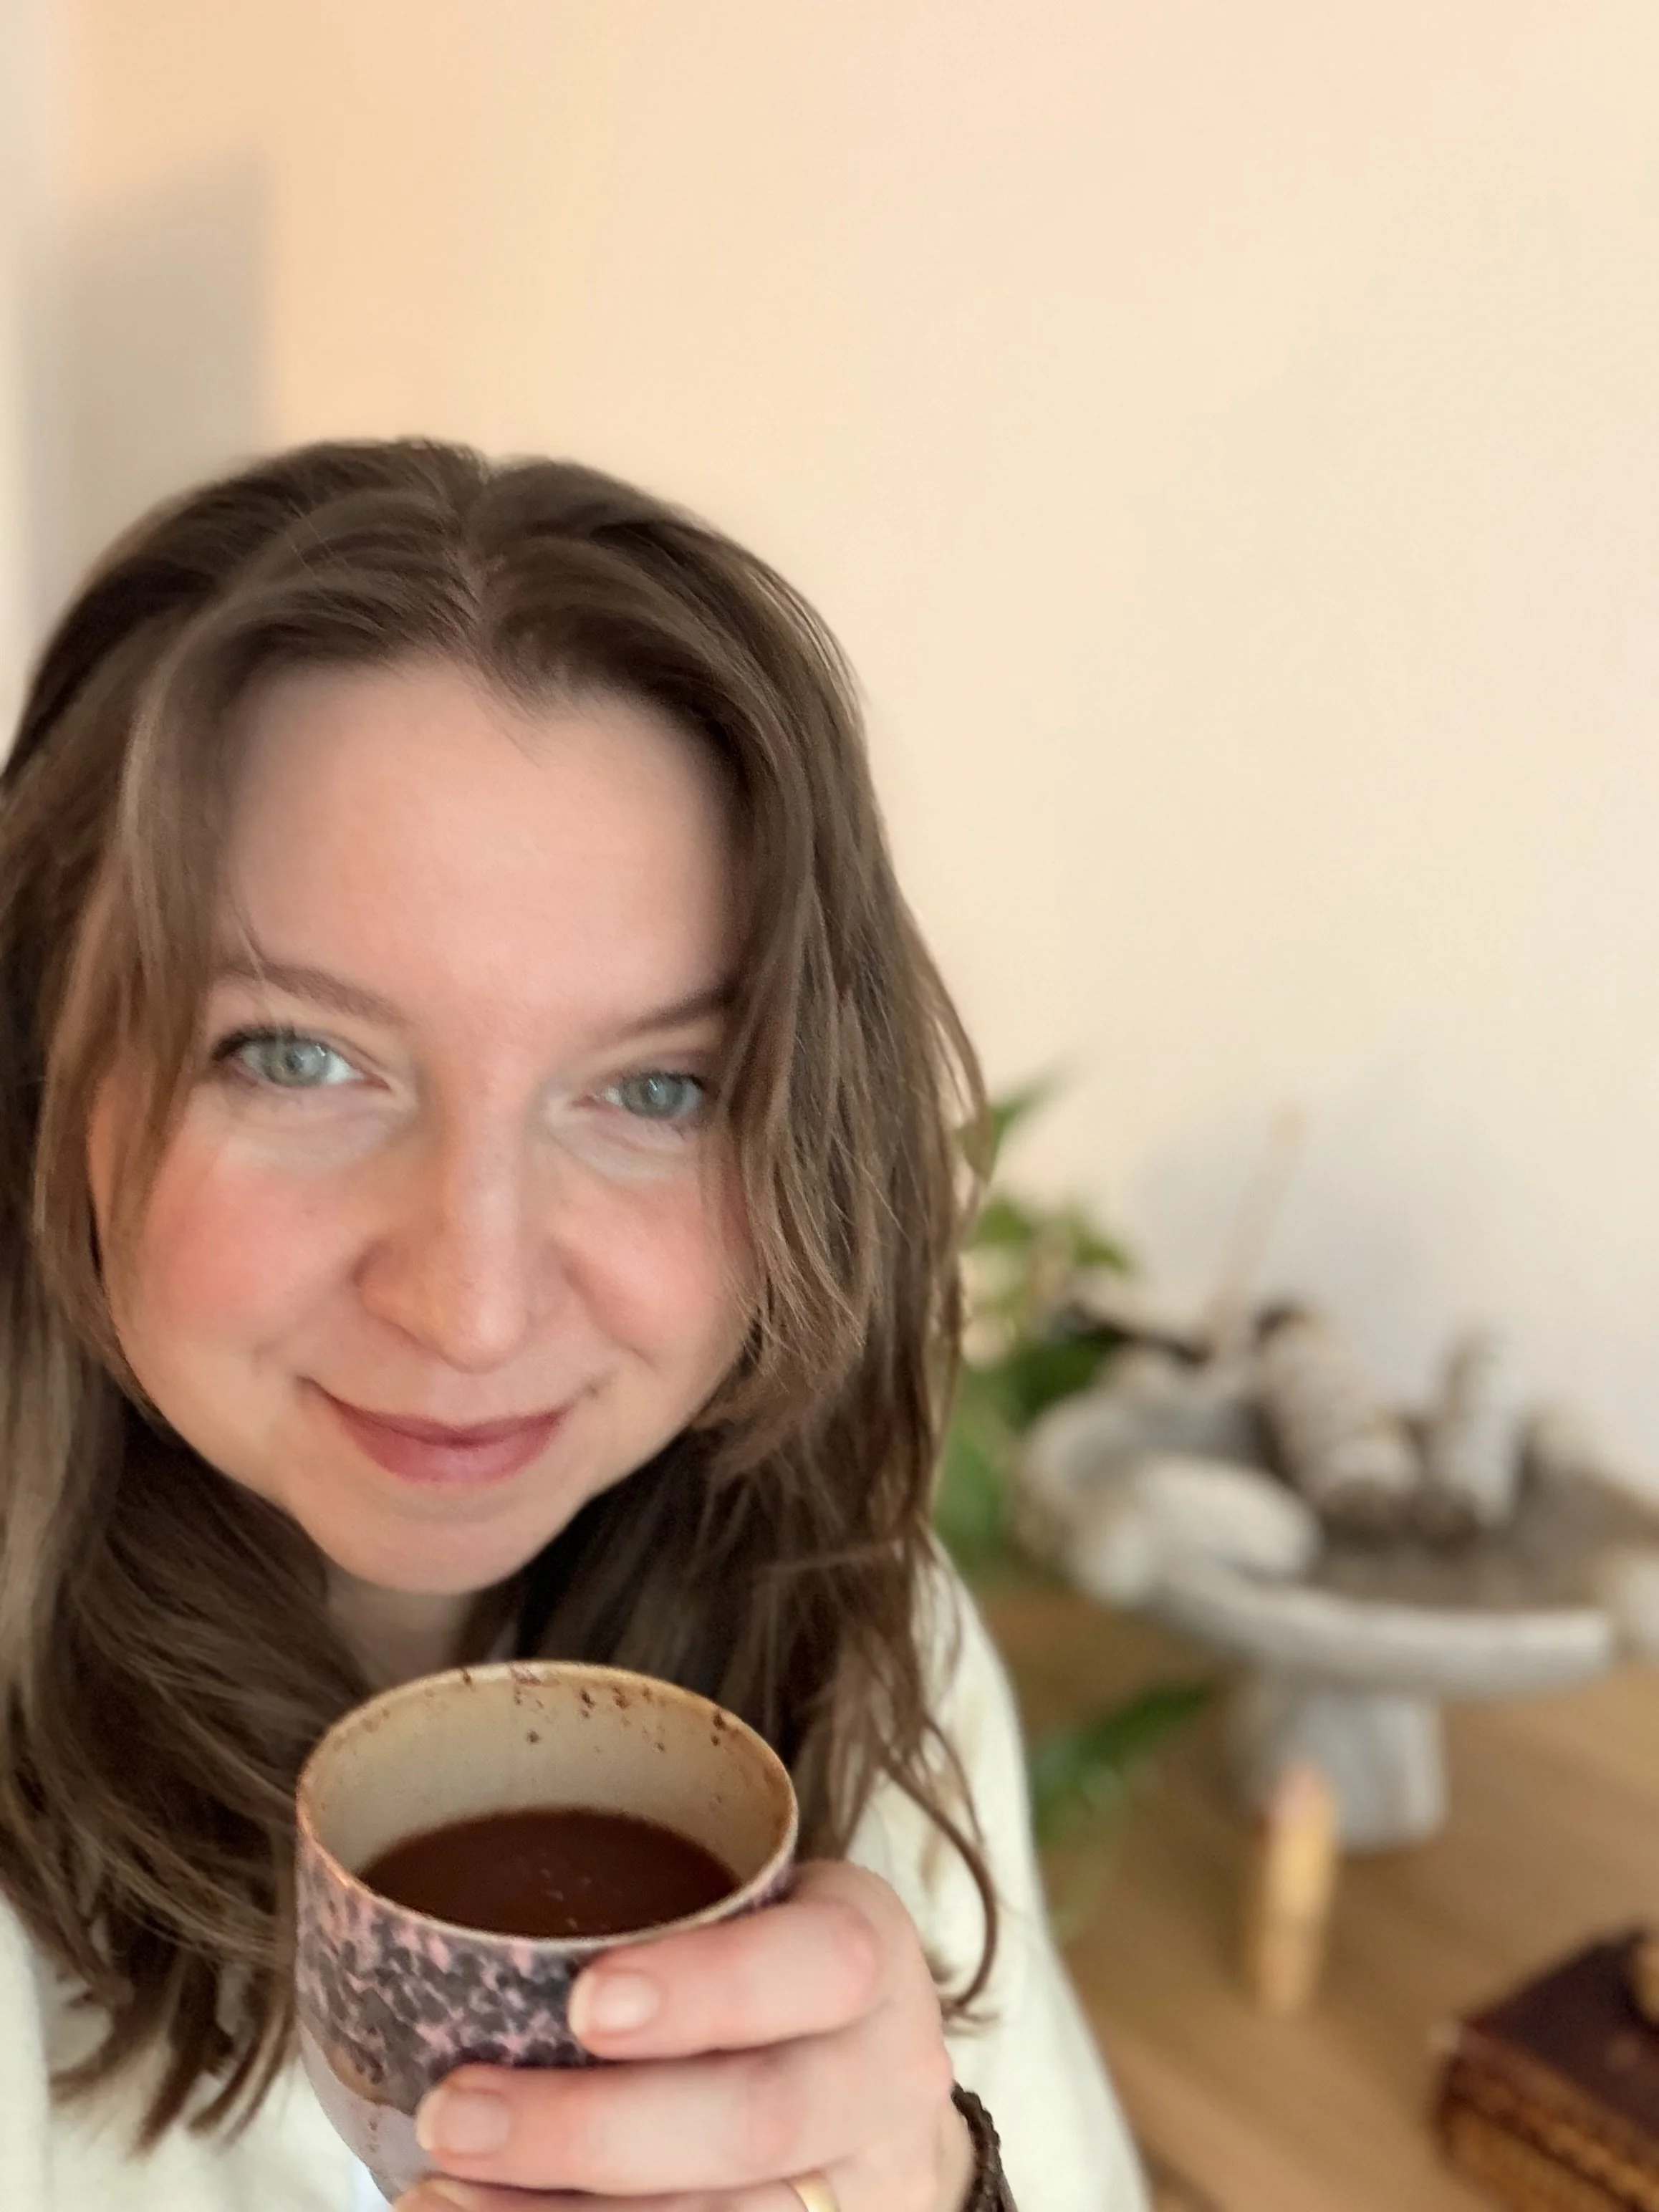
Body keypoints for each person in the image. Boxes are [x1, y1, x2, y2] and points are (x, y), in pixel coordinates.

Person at [0, 441, 1148, 2212]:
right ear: (39, 1076)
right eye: (296, 1055)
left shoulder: (869, 1640)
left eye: (658, 1088)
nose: (471, 1302)